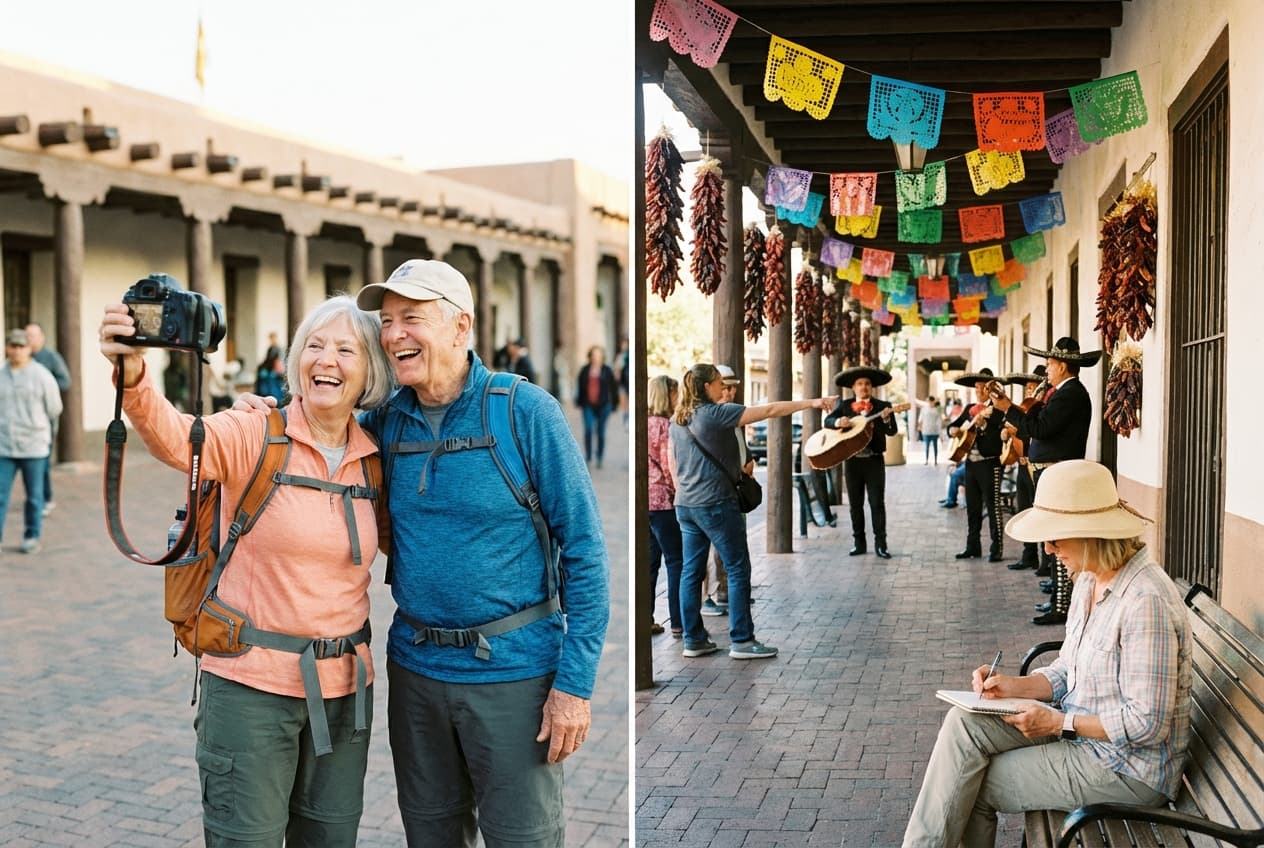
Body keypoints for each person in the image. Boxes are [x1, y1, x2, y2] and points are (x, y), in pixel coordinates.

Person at [99, 295, 394, 846]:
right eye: (314, 345)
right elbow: (179, 438)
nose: (325, 359)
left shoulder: (375, 456)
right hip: (250, 690)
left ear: (370, 371)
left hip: (347, 691)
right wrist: (133, 377)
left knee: (331, 838)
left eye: (345, 349)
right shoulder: (256, 430)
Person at [351, 259, 609, 846]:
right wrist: (260, 413)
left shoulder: (524, 411)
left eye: (411, 318)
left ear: (460, 327)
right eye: (387, 321)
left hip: (516, 677)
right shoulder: (386, 422)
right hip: (416, 674)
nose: (393, 335)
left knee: (524, 838)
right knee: (431, 836)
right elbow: (314, 433)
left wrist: (574, 686)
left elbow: (586, 551)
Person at [902, 460, 1192, 848]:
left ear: (1090, 533)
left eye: (1056, 537)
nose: (1049, 549)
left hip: (1126, 768)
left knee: (971, 785)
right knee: (963, 722)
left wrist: (1059, 723)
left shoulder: (1144, 601)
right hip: (1084, 737)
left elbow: (1147, 724)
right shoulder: (1090, 578)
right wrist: (1011, 686)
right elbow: (1068, 671)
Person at [671, 362, 835, 659]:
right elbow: (771, 410)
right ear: (706, 386)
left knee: (690, 572)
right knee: (737, 568)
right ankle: (742, 641)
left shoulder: (678, 420)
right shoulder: (717, 414)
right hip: (716, 503)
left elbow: (677, 464)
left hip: (685, 504)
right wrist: (812, 402)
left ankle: (693, 640)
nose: (724, 388)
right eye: (720, 383)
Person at [991, 337, 1101, 625]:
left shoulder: (1071, 394)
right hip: (1051, 473)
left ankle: (1062, 606)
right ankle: (1058, 599)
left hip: (1059, 474)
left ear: (1063, 366)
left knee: (1061, 540)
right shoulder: (1061, 392)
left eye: (1050, 364)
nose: (1047, 369)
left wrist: (1009, 408)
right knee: (1054, 539)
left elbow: (1040, 429)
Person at [824, 366, 899, 558]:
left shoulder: (883, 405)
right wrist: (838, 422)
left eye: (867, 383)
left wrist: (887, 419)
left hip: (874, 461)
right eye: (860, 384)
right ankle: (859, 543)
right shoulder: (844, 406)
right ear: (853, 388)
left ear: (871, 387)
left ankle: (881, 544)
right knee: (855, 505)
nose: (863, 387)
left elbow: (892, 431)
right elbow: (828, 421)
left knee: (877, 503)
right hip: (852, 462)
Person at [0, 328, 61, 554]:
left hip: (34, 446)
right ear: (7, 348)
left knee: (34, 497)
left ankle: (32, 535)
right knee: (0, 495)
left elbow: (54, 408)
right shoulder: (1, 374)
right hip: (4, 445)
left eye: (21, 346)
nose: (16, 351)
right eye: (12, 346)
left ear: (29, 348)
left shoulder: (42, 376)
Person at [699, 364, 747, 617]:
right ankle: (713, 596)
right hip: (715, 496)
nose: (729, 392)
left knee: (728, 553)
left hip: (731, 490)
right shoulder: (715, 416)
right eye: (724, 387)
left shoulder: (730, 415)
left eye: (732, 388)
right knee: (720, 555)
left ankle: (724, 593)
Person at [945, 368, 1007, 562]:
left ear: (991, 390)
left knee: (993, 507)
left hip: (990, 464)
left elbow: (998, 438)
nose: (979, 391)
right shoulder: (969, 408)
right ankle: (972, 547)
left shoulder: (997, 409)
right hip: (970, 463)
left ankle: (996, 549)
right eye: (977, 387)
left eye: (983, 388)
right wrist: (953, 430)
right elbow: (951, 426)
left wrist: (985, 425)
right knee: (972, 507)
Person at [1000, 365, 1047, 573]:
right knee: (1024, 510)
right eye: (1028, 388)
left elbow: (1036, 433)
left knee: (1042, 514)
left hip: (1037, 466)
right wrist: (1006, 433)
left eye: (1033, 387)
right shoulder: (1023, 409)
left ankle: (1046, 562)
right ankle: (1029, 556)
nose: (1030, 391)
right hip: (1021, 465)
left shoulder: (1043, 409)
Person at [647, 374, 683, 637]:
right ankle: (679, 621)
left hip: (645, 504)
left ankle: (646, 618)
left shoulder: (643, 424)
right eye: (674, 393)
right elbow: (669, 467)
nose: (678, 398)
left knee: (650, 563)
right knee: (676, 562)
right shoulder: (663, 426)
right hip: (663, 503)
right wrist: (676, 493)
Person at [23, 322, 70, 517]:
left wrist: (45, 388)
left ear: (42, 337)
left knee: (42, 460)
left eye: (32, 336)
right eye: (26, 336)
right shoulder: (22, 359)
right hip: (24, 419)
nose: (29, 340)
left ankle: (45, 498)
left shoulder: (51, 358)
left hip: (45, 419)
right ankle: (37, 497)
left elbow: (65, 381)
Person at [575, 344, 619, 469]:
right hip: (588, 404)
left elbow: (613, 388)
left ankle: (599, 456)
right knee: (588, 430)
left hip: (603, 405)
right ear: (590, 357)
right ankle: (588, 456)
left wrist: (614, 404)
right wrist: (579, 401)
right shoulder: (585, 370)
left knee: (601, 432)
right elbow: (580, 386)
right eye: (593, 355)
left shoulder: (606, 370)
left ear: (602, 357)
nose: (595, 358)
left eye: (598, 355)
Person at [916, 396, 943, 465]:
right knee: (927, 446)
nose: (930, 403)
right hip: (926, 430)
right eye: (929, 402)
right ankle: (926, 460)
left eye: (931, 402)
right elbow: (920, 419)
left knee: (935, 446)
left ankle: (935, 460)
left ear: (934, 401)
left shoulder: (938, 409)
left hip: (935, 431)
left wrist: (940, 433)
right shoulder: (924, 409)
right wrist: (919, 426)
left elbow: (939, 421)